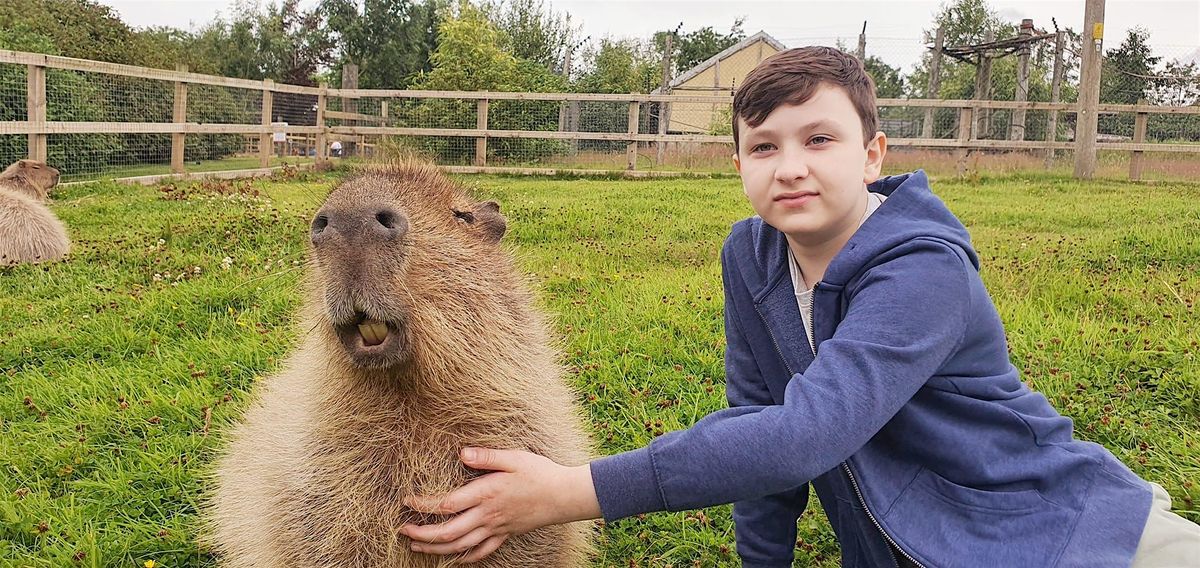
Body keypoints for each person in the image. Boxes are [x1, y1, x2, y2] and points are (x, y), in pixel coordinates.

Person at [398, 47, 1200, 566]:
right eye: (765, 146)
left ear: (872, 153)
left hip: (1066, 534)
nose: (791, 167)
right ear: (739, 161)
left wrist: (573, 491)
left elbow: (801, 437)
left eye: (820, 140)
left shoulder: (924, 266)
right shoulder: (750, 255)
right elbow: (757, 421)